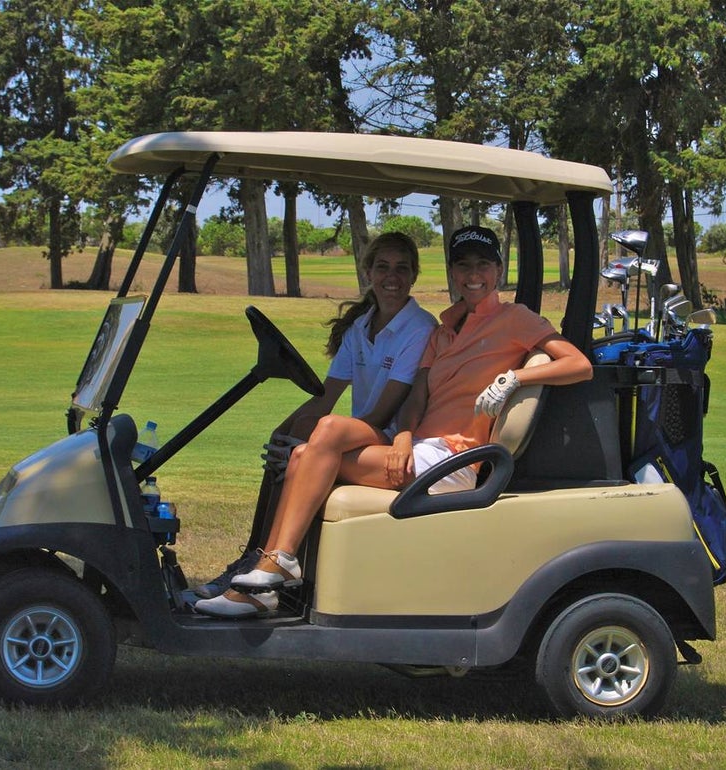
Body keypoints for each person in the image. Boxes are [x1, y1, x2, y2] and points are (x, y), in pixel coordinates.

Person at [192, 225, 593, 617]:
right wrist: (404, 437)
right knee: (301, 456)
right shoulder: (444, 330)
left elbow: (579, 364)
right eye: (463, 266)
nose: (474, 275)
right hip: (422, 450)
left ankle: (272, 569)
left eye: (483, 265)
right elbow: (417, 396)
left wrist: (515, 378)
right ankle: (271, 571)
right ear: (451, 273)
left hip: (455, 459)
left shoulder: (515, 318)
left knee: (323, 436)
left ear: (499, 271)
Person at [193, 232, 436, 600]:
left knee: (320, 436)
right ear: (367, 271)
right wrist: (285, 431)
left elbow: (381, 413)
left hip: (394, 437)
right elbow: (327, 396)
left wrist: (321, 438)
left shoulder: (419, 327)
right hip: (361, 433)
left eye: (402, 269)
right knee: (288, 444)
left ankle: (273, 561)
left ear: (414, 275)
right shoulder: (360, 326)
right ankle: (254, 559)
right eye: (383, 267)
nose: (393, 277)